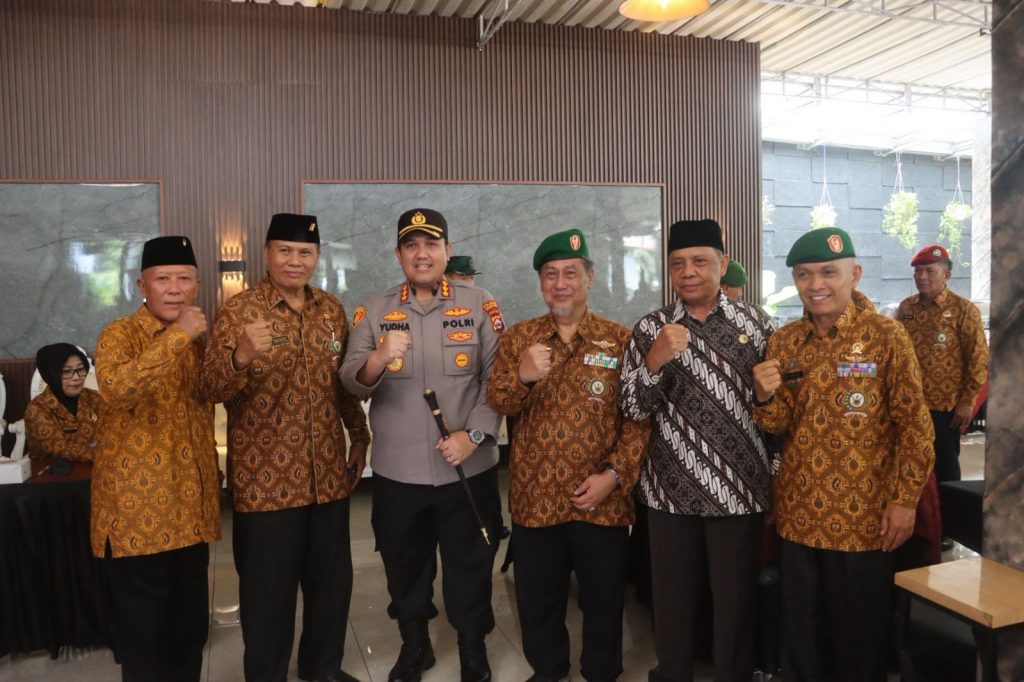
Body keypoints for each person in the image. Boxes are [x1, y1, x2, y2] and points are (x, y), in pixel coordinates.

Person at [751, 227, 934, 682]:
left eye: (828, 272)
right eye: (804, 274)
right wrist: (763, 397)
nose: (816, 285)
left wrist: (905, 501)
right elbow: (778, 425)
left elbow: (916, 426)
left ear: (854, 274)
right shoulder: (785, 341)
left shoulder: (886, 337)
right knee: (801, 638)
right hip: (800, 517)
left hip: (864, 520)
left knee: (859, 640)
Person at [200, 213, 370, 682]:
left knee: (331, 587)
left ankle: (322, 669)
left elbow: (342, 386)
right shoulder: (239, 312)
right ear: (267, 253)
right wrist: (240, 356)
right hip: (265, 486)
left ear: (317, 257)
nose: (295, 261)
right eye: (285, 251)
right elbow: (210, 388)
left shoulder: (330, 309)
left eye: (305, 252)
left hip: (327, 477)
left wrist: (359, 435)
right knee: (267, 597)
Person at [340, 208, 503, 682]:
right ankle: (415, 646)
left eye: (431, 244)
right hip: (399, 471)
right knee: (405, 565)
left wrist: (474, 435)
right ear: (398, 254)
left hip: (467, 467)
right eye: (411, 245)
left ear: (447, 251)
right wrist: (376, 359)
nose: (422, 254)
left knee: (470, 564)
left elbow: (499, 379)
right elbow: (350, 380)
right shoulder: (375, 309)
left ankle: (472, 647)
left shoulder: (479, 304)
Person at [487, 229, 650, 682]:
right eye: (551, 274)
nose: (561, 283)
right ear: (541, 281)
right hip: (536, 498)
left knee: (604, 600)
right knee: (539, 600)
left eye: (571, 273)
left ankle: (601, 672)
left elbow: (638, 421)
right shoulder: (520, 338)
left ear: (589, 277)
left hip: (602, 500)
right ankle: (548, 671)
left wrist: (614, 475)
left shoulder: (620, 340)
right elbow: (498, 402)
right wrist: (521, 377)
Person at [619, 218, 774, 682]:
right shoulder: (651, 328)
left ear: (723, 264)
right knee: (672, 602)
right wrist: (654, 361)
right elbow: (631, 407)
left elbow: (777, 411)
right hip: (671, 492)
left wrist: (778, 477)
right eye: (678, 263)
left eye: (700, 261)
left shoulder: (757, 324)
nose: (688, 272)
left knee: (736, 602)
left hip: (740, 491)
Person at [91, 236, 220, 682]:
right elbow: (117, 390)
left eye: (184, 278)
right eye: (163, 278)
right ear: (140, 285)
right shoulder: (119, 334)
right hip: (137, 522)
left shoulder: (198, 342)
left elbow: (209, 396)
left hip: (190, 514)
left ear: (197, 285)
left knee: (189, 633)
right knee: (144, 640)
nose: (174, 288)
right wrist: (178, 336)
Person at [896, 244, 988, 485]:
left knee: (945, 467)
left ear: (946, 275)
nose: (922, 277)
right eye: (918, 271)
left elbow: (978, 357)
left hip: (944, 406)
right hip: (909, 403)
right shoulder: (906, 308)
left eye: (930, 271)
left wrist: (968, 400)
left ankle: (950, 508)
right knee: (909, 464)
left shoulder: (963, 309)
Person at [25, 343, 101, 462]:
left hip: (96, 468)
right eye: (67, 371)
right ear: (51, 374)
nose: (76, 377)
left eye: (80, 369)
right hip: (51, 471)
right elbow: (60, 449)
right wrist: (108, 454)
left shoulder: (94, 398)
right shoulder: (37, 409)